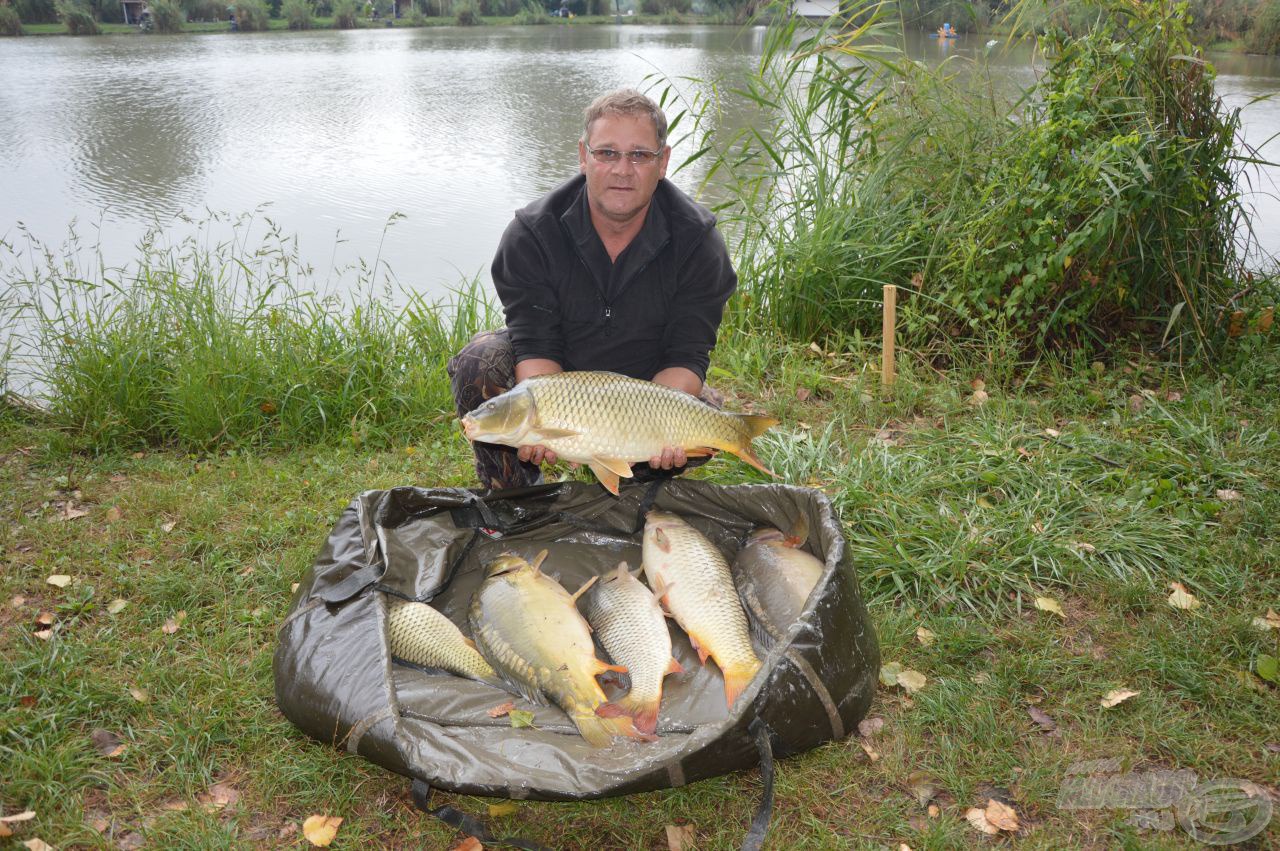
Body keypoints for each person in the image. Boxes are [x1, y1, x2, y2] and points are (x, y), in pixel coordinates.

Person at [449, 88, 738, 491]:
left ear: (663, 162)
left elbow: (687, 353)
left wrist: (661, 429)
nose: (623, 169)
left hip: (649, 385)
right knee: (479, 361)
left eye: (639, 155)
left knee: (702, 418)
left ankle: (644, 483)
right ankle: (516, 495)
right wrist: (543, 428)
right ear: (584, 157)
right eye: (607, 153)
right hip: (564, 380)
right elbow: (536, 344)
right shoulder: (532, 234)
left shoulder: (698, 242)